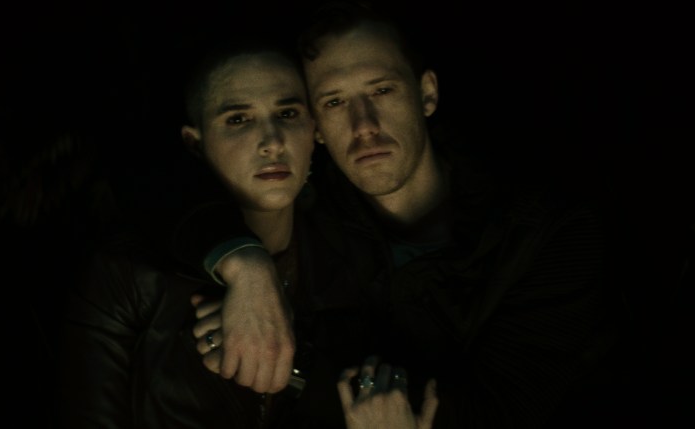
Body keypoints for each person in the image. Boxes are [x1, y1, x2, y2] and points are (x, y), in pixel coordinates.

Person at [177, 2, 620, 428]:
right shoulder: (302, 200)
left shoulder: (546, 231)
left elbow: (505, 412)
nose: (364, 125)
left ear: (427, 93)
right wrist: (245, 265)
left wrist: (296, 367)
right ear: (316, 126)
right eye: (334, 102)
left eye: (381, 90)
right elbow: (161, 186)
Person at [58, 33, 437, 429]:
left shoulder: (358, 269)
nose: (272, 142)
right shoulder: (129, 276)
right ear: (195, 143)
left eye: (287, 113)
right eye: (238, 119)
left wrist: (297, 369)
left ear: (314, 130)